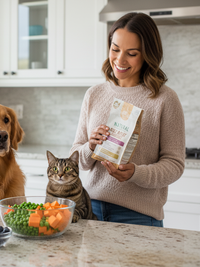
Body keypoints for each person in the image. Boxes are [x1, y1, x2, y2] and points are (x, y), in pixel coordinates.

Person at [70, 12, 185, 227]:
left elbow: (175, 165)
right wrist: (90, 147)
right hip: (89, 210)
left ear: (148, 54)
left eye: (131, 53)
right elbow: (76, 158)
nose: (119, 60)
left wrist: (136, 173)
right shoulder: (94, 94)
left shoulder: (165, 99)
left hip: (138, 216)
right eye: (115, 49)